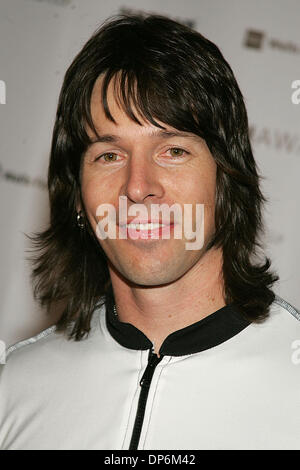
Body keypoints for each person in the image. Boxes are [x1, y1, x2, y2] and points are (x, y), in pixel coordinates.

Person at [0, 13, 299, 451]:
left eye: (173, 150)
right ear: (77, 197)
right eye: (109, 155)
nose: (138, 187)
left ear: (226, 179)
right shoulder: (15, 389)